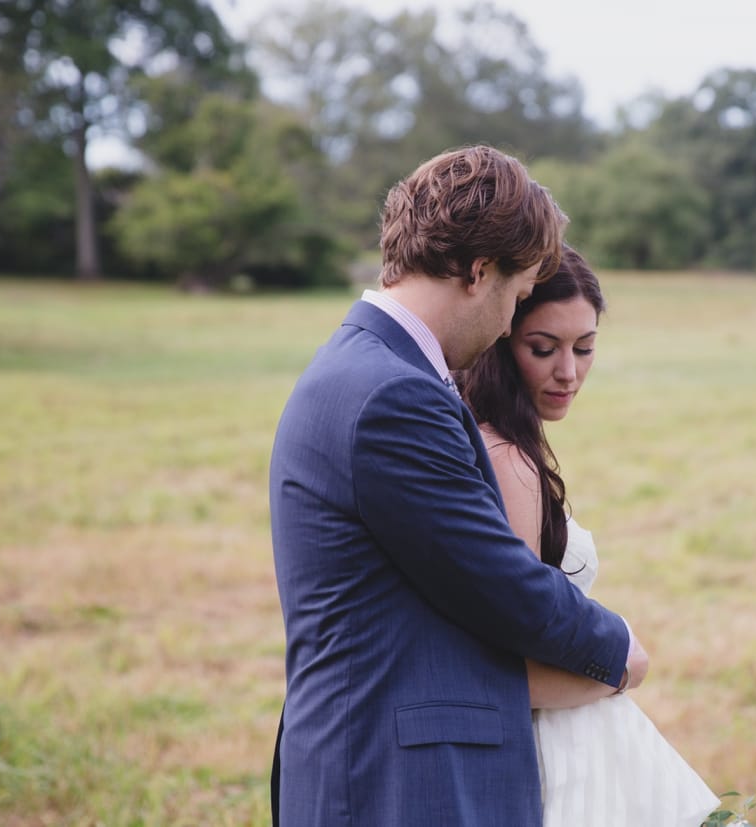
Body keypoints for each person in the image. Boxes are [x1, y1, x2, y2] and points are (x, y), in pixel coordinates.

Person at [268, 145, 649, 826]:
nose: (510, 320)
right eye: (517, 292)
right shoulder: (392, 395)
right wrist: (618, 649)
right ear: (479, 271)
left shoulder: (366, 366)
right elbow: (499, 581)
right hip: (395, 781)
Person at [459, 245, 721, 826]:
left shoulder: (515, 441)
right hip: (558, 738)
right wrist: (620, 668)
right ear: (502, 340)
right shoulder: (506, 457)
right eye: (543, 348)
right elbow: (511, 648)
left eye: (585, 347)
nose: (568, 372)